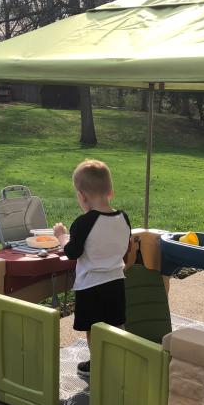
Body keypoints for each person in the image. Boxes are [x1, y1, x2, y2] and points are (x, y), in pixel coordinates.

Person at [53, 160, 131, 375]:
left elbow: (72, 252)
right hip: (116, 281)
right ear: (111, 192)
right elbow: (123, 246)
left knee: (94, 329)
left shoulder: (83, 222)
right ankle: (120, 358)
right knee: (116, 322)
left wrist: (61, 237)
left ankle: (97, 364)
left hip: (91, 285)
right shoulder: (123, 218)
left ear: (82, 196)